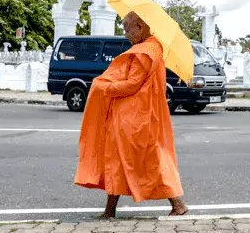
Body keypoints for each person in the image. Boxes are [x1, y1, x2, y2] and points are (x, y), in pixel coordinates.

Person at [74, 11, 188, 218]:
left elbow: (131, 85)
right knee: (125, 159)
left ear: (140, 27)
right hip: (141, 114)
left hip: (133, 117)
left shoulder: (145, 52)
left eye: (127, 29)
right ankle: (110, 210)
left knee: (134, 159)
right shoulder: (153, 49)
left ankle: (177, 204)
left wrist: (103, 86)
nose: (126, 34)